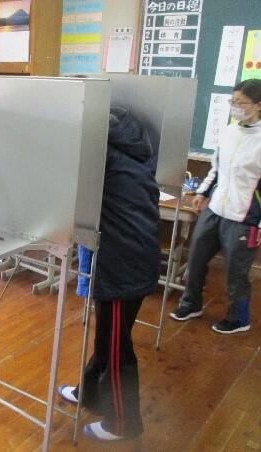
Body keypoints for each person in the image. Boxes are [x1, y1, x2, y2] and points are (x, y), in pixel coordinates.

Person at [58, 107, 160, 441]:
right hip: (133, 257)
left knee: (118, 349)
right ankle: (89, 393)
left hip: (122, 265)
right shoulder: (133, 151)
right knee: (108, 338)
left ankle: (123, 423)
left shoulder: (104, 157)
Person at [170, 79, 261, 334]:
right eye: (232, 101)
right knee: (195, 260)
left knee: (236, 273)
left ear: (259, 105)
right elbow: (216, 168)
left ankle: (239, 318)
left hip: (245, 217)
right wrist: (203, 193)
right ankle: (191, 304)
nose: (234, 106)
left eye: (241, 102)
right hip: (215, 210)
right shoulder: (229, 132)